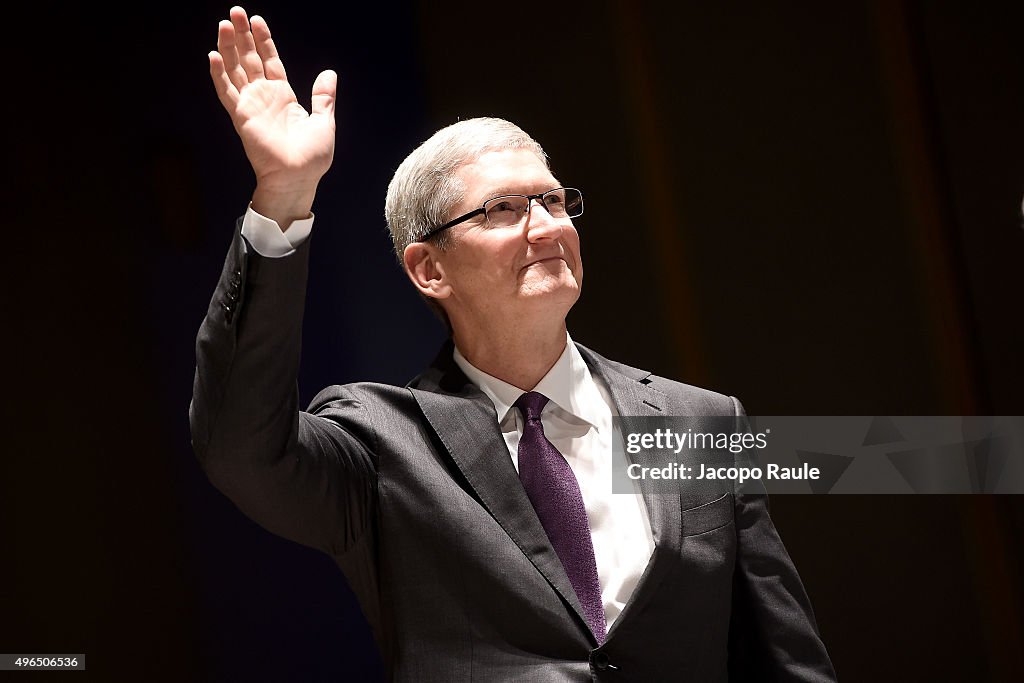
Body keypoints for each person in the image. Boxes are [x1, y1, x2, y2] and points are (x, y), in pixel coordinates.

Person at [191, 6, 837, 681]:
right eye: (504, 209)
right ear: (427, 268)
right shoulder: (383, 444)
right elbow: (239, 449)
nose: (548, 227)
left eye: (555, 202)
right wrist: (285, 194)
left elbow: (784, 658)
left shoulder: (701, 423)